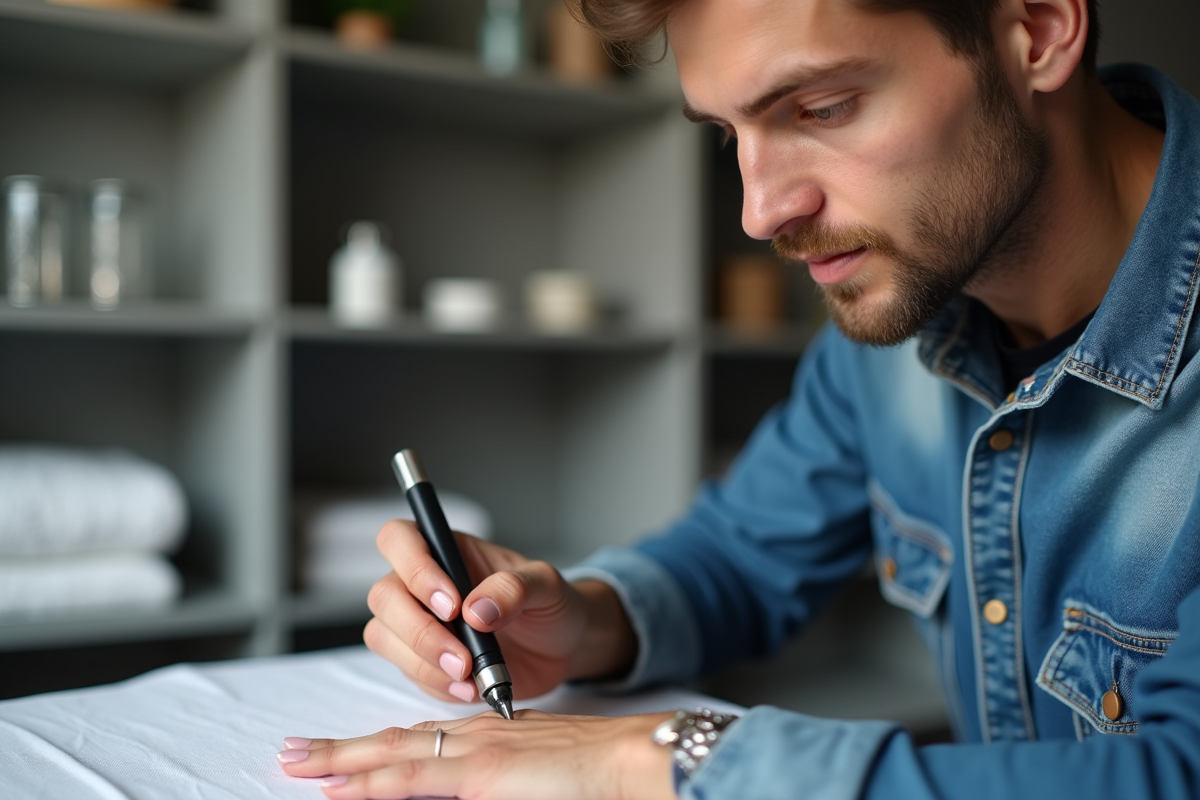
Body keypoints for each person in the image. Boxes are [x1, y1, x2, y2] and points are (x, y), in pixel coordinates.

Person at [276, 0, 1200, 797]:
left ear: (1036, 29)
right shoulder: (900, 314)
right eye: (727, 135)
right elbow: (745, 554)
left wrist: (663, 760)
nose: (760, 212)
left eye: (823, 107)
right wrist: (580, 623)